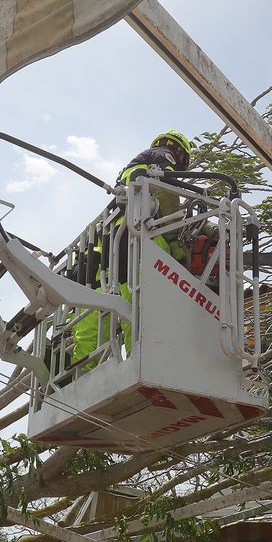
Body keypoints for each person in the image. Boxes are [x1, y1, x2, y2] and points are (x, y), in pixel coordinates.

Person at [71, 131, 195, 366]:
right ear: (179, 153)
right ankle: (142, 363)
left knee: (95, 323)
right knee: (143, 308)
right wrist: (174, 240)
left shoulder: (134, 167)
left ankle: (78, 376)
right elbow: (167, 192)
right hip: (137, 237)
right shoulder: (163, 156)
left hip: (107, 249)